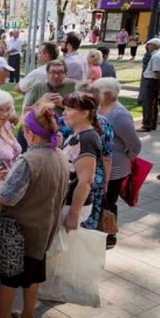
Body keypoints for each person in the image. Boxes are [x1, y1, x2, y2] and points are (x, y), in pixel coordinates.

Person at [0, 102, 69, 318]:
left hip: (19, 234)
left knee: (9, 280)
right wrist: (12, 177)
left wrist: (2, 183)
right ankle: (28, 314)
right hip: (44, 230)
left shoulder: (29, 160)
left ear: (31, 134)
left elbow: (6, 198)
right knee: (34, 276)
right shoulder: (59, 155)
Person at [93, 78, 142, 247]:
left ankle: (109, 236)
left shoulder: (119, 114)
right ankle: (100, 232)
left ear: (106, 94)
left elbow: (135, 145)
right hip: (102, 166)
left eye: (96, 91)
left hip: (115, 169)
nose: (94, 94)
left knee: (108, 203)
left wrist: (125, 158)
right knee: (101, 201)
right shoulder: (102, 108)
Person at [60, 92, 102, 233]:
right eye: (64, 109)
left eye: (69, 109)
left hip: (71, 205)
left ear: (84, 113)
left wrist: (73, 214)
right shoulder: (77, 134)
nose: (64, 113)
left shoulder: (87, 139)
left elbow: (85, 181)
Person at [138, 38, 160, 132]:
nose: (148, 46)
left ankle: (146, 125)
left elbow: (157, 71)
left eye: (149, 44)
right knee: (154, 104)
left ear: (155, 45)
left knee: (148, 104)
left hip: (151, 81)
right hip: (155, 81)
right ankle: (152, 124)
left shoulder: (157, 56)